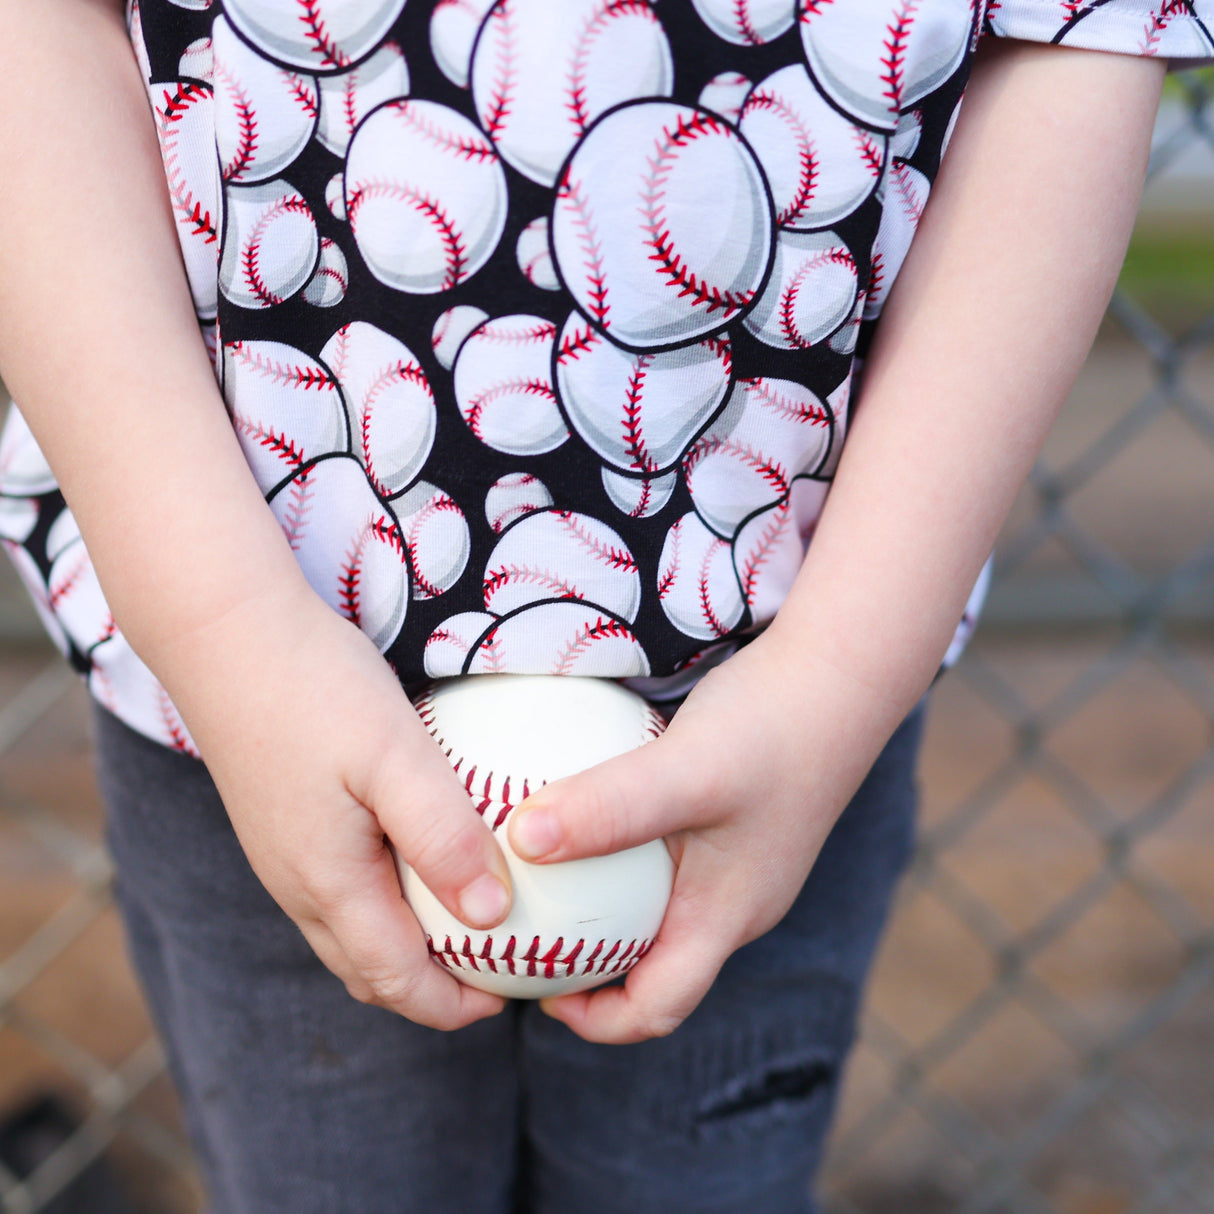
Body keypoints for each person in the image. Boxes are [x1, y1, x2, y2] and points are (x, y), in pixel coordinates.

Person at [0, 2, 1203, 1210]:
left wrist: (839, 669)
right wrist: (225, 630)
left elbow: (1075, 38)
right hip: (253, 693)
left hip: (771, 705)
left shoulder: (812, 685)